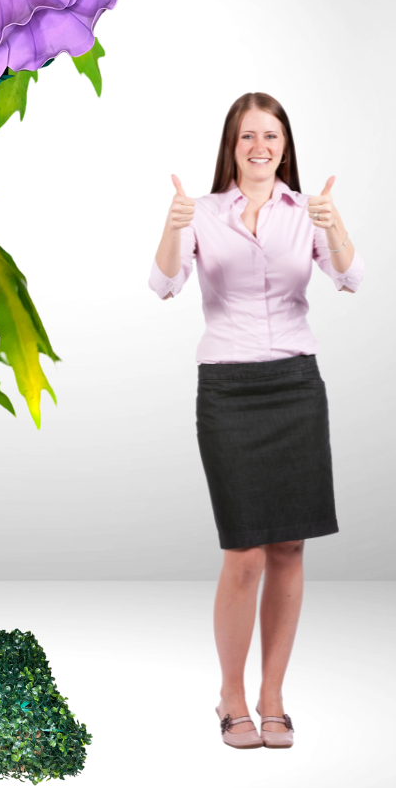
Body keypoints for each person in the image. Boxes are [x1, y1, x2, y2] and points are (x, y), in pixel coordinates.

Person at [149, 92, 364, 749]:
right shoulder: (204, 213)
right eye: (248, 136)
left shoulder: (306, 212)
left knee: (289, 548)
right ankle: (231, 695)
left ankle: (272, 695)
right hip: (228, 390)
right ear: (232, 147)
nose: (260, 147)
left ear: (285, 146)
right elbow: (162, 286)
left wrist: (333, 222)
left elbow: (352, 277)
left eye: (271, 136)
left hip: (296, 385)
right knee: (243, 552)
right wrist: (171, 222)